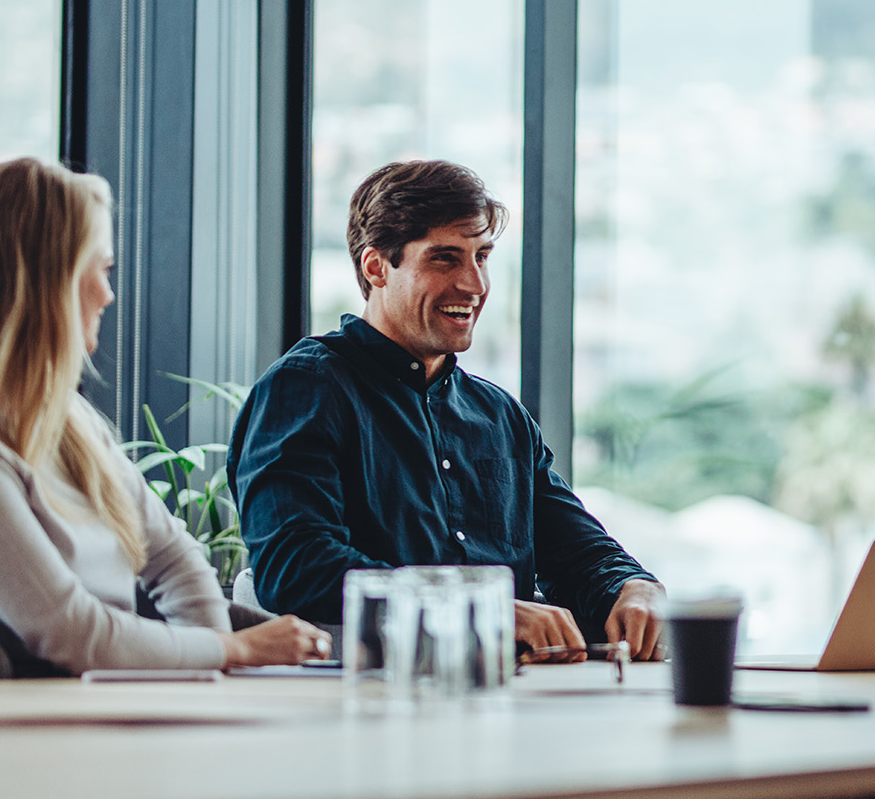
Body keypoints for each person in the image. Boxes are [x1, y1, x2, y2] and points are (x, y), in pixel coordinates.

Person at [0, 158, 329, 674]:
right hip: (16, 730)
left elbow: (172, 556)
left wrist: (211, 670)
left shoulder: (65, 418)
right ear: (47, 283)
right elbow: (71, 633)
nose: (109, 293)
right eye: (102, 269)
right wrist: (234, 649)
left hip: (99, 704)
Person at [231, 160, 665, 660]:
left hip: (511, 699)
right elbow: (296, 567)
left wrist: (633, 586)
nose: (475, 285)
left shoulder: (499, 415)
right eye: (444, 259)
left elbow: (577, 552)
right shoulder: (306, 389)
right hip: (363, 702)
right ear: (376, 267)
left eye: (482, 257)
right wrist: (479, 607)